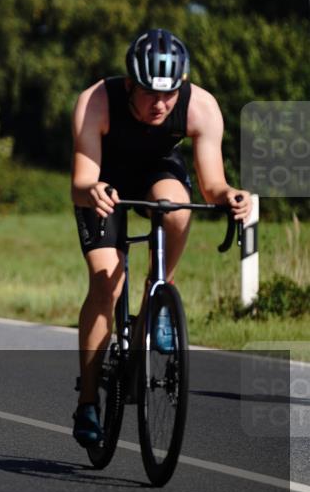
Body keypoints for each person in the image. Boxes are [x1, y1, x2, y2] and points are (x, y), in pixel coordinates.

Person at [69, 28, 251, 446]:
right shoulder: (96, 101)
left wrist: (230, 196)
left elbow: (212, 185)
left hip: (158, 171)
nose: (160, 104)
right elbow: (80, 183)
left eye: (169, 94)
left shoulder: (201, 106)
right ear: (129, 85)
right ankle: (88, 401)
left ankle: (160, 293)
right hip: (103, 180)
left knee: (176, 206)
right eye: (150, 93)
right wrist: (93, 190)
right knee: (106, 281)